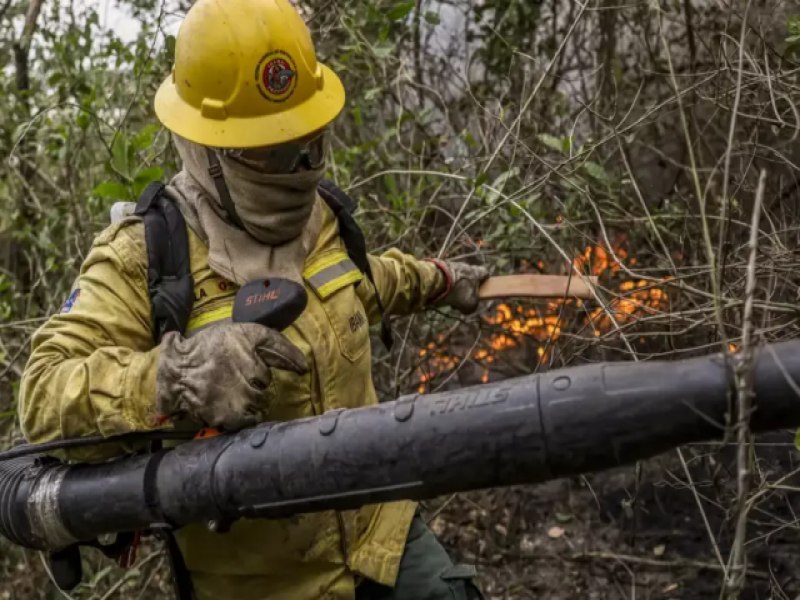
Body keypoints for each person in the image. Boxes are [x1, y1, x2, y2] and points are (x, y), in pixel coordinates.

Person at [18, 0, 489, 599]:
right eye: (268, 152)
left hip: (384, 536)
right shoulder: (141, 255)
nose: (295, 167)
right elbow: (42, 395)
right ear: (208, 148)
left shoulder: (322, 217)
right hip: (265, 585)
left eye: (307, 143)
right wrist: (174, 376)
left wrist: (444, 280)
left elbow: (366, 283)